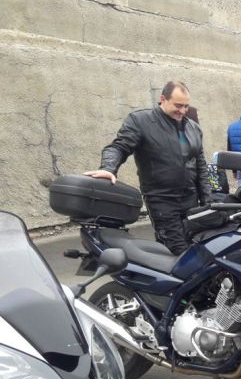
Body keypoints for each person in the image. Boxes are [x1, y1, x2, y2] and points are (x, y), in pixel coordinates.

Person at [85, 81, 210, 255]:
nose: (182, 111)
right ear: (163, 99)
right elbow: (119, 147)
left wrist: (208, 201)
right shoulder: (141, 121)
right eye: (178, 105)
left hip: (191, 200)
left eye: (186, 106)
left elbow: (200, 165)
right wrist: (108, 168)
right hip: (162, 201)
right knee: (177, 252)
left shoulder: (193, 128)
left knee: (198, 250)